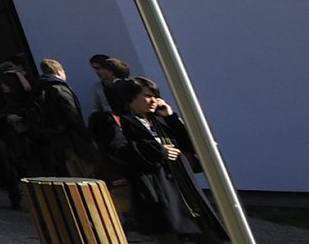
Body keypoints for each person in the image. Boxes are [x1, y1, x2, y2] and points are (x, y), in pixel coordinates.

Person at [94, 78, 223, 244]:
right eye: (147, 96)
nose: (154, 101)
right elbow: (118, 150)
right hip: (155, 189)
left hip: (184, 189)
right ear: (130, 97)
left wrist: (171, 118)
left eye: (156, 96)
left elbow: (192, 144)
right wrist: (158, 150)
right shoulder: (117, 121)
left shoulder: (159, 119)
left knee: (208, 235)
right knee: (169, 234)